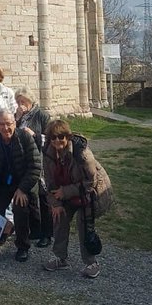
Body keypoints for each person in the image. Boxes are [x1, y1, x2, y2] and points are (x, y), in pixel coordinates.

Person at [42, 118, 113, 279]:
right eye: (53, 137)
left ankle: (91, 262)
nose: (57, 141)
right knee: (59, 216)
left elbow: (91, 182)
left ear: (68, 137)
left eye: (61, 137)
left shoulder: (82, 153)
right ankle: (60, 258)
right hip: (66, 191)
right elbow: (49, 181)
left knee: (84, 223)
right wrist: (56, 203)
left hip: (89, 193)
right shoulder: (47, 152)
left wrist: (65, 192)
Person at [0, 109, 41, 262]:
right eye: (1, 124)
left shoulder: (25, 138)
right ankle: (4, 230)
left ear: (15, 123)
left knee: (20, 207)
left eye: (8, 123)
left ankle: (22, 246)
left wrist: (22, 189)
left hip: (23, 183)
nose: (5, 128)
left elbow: (35, 167)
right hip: (3, 184)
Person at [15, 85, 52, 247]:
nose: (21, 105)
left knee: (44, 196)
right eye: (18, 102)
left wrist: (35, 135)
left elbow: (50, 139)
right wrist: (17, 119)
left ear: (30, 101)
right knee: (30, 195)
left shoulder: (41, 115)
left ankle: (47, 233)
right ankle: (35, 229)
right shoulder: (19, 116)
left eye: (23, 101)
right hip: (26, 161)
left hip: (41, 159)